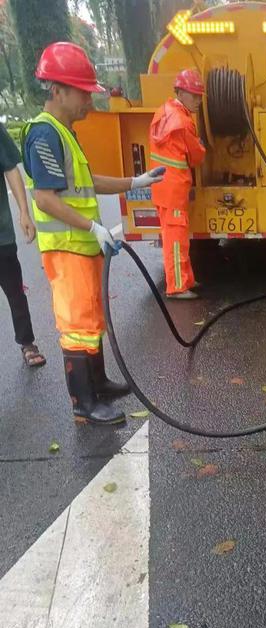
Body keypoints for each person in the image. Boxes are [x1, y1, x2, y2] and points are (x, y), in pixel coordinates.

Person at [21, 42, 165, 426]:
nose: (89, 100)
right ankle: (84, 404)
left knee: (91, 318)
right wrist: (93, 226)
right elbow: (46, 198)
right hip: (68, 249)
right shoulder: (45, 134)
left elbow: (86, 183)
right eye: (83, 92)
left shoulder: (65, 133)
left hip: (82, 248)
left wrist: (135, 180)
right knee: (77, 327)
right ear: (58, 91)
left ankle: (98, 384)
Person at [149, 69, 206, 300]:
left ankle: (186, 279)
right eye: (194, 95)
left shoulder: (163, 112)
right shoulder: (183, 122)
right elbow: (196, 157)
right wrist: (201, 145)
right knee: (176, 240)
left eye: (200, 96)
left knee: (176, 237)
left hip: (163, 187)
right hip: (174, 189)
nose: (199, 101)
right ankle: (177, 287)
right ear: (181, 93)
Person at [0, 123, 46, 368]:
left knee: (15, 292)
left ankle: (27, 342)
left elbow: (11, 169)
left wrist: (24, 213)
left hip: (1, 236)